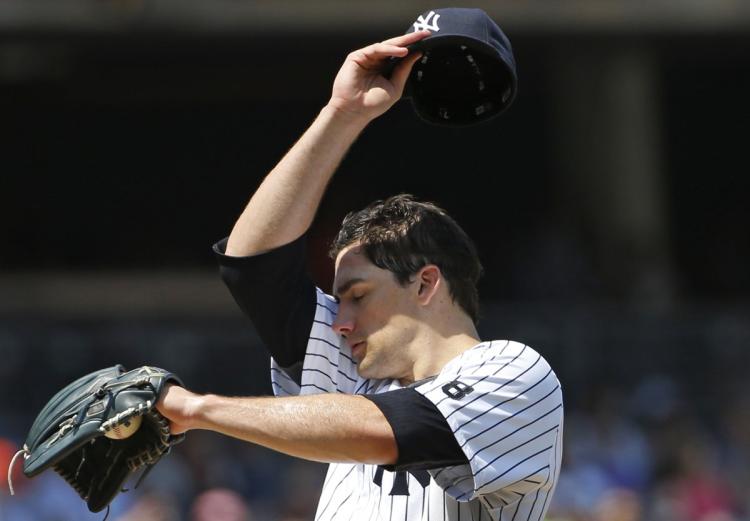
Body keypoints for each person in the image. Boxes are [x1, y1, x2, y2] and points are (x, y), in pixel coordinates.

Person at [157, 29, 564, 520]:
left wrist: (199, 410)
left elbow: (395, 430)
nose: (340, 320)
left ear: (425, 282)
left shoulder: (514, 371)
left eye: (357, 295)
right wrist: (342, 113)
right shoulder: (360, 375)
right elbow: (252, 268)